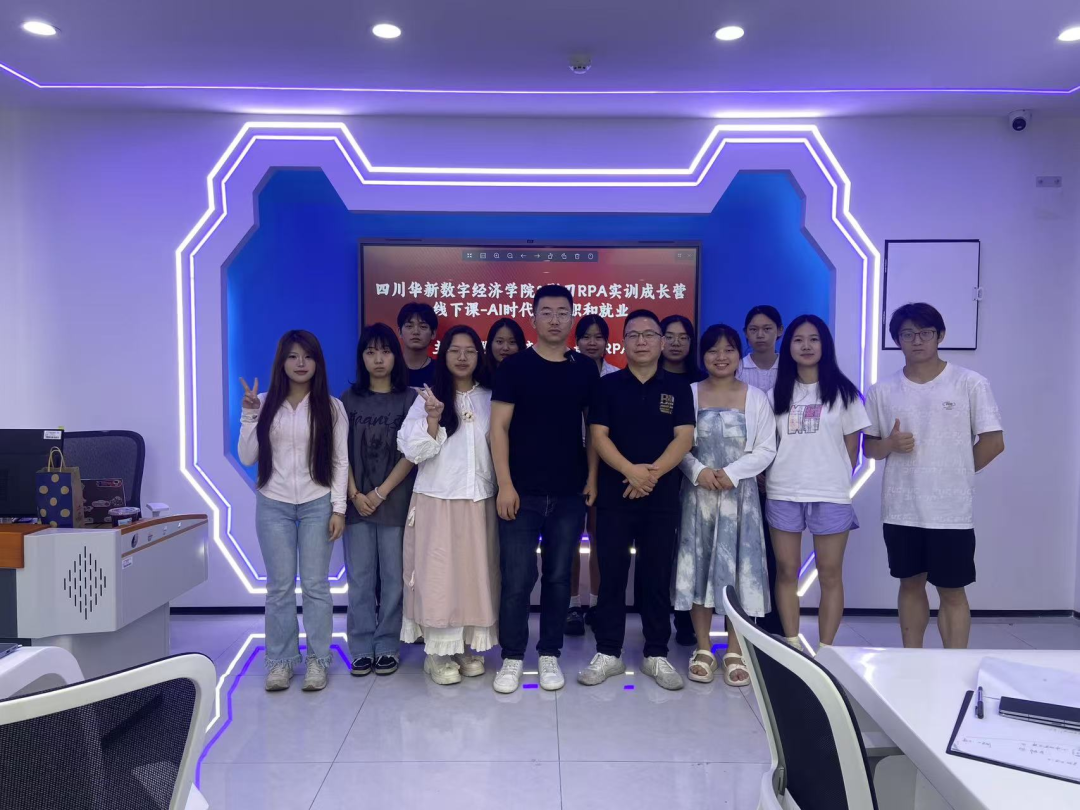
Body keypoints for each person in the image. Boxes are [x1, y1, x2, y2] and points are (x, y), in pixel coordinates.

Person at [864, 303, 1003, 649]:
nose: (917, 340)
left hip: (950, 511)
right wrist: (889, 444)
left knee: (952, 590)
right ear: (897, 340)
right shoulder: (882, 390)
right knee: (909, 584)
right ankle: (913, 659)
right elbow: (869, 448)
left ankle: (954, 665)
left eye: (925, 333)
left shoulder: (969, 383)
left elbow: (993, 442)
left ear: (940, 336)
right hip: (901, 508)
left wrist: (956, 470)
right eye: (907, 334)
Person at [490, 284, 599, 693]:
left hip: (569, 492)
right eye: (547, 312)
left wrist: (591, 477)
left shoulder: (584, 368)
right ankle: (513, 656)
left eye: (562, 312)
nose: (555, 320)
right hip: (521, 492)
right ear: (533, 317)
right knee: (518, 578)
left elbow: (593, 429)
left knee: (558, 577)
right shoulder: (515, 367)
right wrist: (505, 485)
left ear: (572, 317)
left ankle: (549, 652)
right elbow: (498, 429)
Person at [579, 309, 695, 691]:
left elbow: (684, 438)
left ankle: (656, 653)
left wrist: (650, 475)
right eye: (633, 335)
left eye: (649, 334)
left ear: (661, 342)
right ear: (623, 342)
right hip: (615, 496)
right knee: (611, 574)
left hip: (661, 498)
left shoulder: (679, 387)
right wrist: (630, 471)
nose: (641, 341)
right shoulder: (607, 386)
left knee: (656, 575)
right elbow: (598, 436)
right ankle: (608, 652)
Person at [238, 330, 348, 692]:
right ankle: (281, 662)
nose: (301, 363)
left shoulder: (331, 407)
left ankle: (318, 660)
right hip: (274, 503)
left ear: (318, 362)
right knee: (279, 588)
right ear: (281, 362)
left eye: (308, 356)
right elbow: (248, 457)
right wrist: (249, 415)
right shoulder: (264, 403)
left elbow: (340, 461)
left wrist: (338, 508)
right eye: (293, 356)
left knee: (316, 586)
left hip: (318, 502)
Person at [397, 325, 500, 684]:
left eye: (470, 351)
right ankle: (437, 654)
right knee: (439, 578)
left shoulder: (490, 397)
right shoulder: (428, 397)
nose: (462, 357)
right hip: (436, 498)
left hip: (478, 499)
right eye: (455, 350)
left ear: (479, 356)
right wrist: (433, 417)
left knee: (472, 577)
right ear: (443, 355)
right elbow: (412, 450)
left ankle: (463, 647)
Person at [676, 324, 776, 686]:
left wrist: (731, 473)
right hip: (698, 496)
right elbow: (676, 444)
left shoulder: (757, 397)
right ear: (702, 356)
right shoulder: (688, 393)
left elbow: (766, 448)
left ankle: (735, 650)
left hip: (739, 498)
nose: (721, 357)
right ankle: (703, 647)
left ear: (738, 354)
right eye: (713, 350)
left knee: (740, 572)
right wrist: (698, 471)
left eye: (729, 349)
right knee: (699, 568)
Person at [767, 314, 869, 651]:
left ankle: (827, 650)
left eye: (814, 339)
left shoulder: (845, 394)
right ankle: (792, 644)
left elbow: (853, 449)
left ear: (825, 345)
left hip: (830, 493)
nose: (806, 346)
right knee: (786, 570)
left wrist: (833, 478)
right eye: (798, 340)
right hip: (783, 491)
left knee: (829, 572)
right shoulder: (774, 394)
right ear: (788, 346)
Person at [340, 324, 417, 677]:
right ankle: (360, 646)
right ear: (361, 358)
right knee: (359, 578)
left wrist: (380, 492)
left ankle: (387, 645)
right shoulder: (348, 400)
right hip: (356, 504)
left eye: (385, 351)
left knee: (392, 578)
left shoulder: (410, 400)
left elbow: (413, 453)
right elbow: (339, 453)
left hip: (396, 503)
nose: (378, 359)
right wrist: (355, 494)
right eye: (370, 352)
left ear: (395, 356)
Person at [566, 314, 618, 635]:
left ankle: (597, 604)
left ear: (607, 342)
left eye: (598, 337)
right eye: (586, 336)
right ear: (577, 341)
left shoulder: (616, 377)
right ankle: (572, 605)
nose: (592, 342)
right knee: (571, 537)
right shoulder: (566, 372)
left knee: (601, 537)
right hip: (570, 463)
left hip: (608, 465)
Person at [737, 305, 785, 636]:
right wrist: (752, 469)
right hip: (744, 473)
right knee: (746, 551)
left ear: (779, 331)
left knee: (777, 554)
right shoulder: (737, 369)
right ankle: (742, 623)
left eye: (767, 329)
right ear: (746, 334)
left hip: (785, 473)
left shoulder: (792, 369)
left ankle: (775, 624)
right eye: (753, 329)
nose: (760, 335)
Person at [659, 313, 702, 646]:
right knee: (660, 551)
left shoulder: (701, 382)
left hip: (695, 477)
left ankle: (686, 618)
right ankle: (658, 616)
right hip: (654, 477)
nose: (676, 343)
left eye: (683, 337)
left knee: (689, 549)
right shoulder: (646, 375)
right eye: (669, 336)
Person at [397, 302, 439, 389]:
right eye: (409, 326)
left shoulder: (441, 370)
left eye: (423, 327)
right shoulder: (389, 368)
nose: (416, 332)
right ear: (399, 332)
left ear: (433, 333)